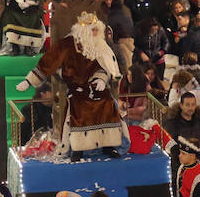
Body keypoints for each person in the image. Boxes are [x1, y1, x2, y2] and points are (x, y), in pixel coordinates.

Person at [18, 9, 128, 161]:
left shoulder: (100, 46)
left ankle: (108, 145)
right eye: (93, 30)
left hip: (96, 86)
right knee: (80, 107)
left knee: (107, 102)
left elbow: (106, 67)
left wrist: (102, 78)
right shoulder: (67, 44)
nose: (96, 34)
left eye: (97, 30)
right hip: (76, 88)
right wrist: (29, 81)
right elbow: (49, 62)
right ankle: (78, 149)